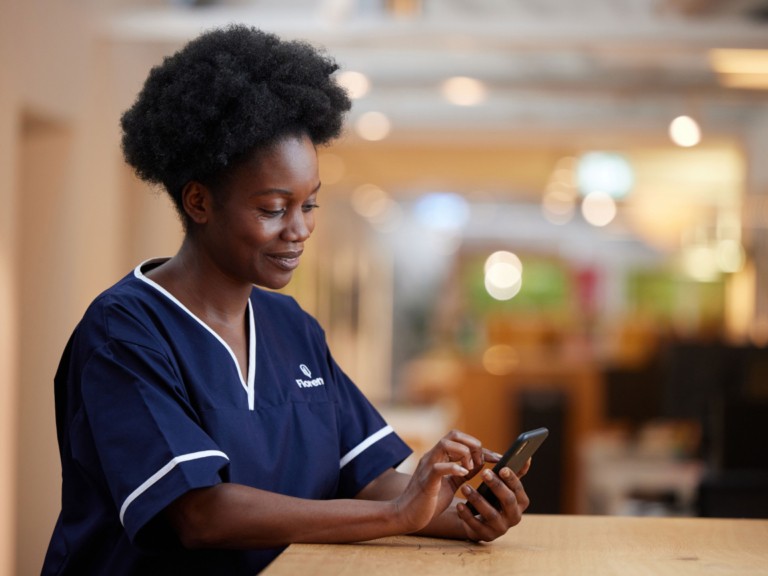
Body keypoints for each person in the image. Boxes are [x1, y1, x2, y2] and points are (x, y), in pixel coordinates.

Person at [41, 25, 531, 575]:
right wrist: (398, 514)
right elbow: (202, 515)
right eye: (274, 208)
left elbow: (366, 478)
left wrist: (458, 510)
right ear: (199, 201)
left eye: (310, 204)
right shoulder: (124, 332)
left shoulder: (289, 325)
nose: (298, 229)